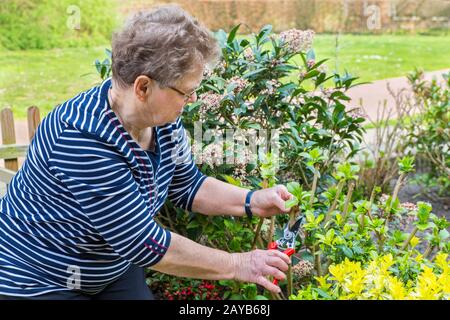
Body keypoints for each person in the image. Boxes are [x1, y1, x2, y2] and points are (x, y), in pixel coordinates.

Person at [0, 5, 293, 300]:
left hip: (110, 265)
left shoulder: (160, 120)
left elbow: (187, 184)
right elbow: (142, 242)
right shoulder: (80, 138)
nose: (192, 100)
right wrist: (238, 264)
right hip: (39, 278)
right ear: (143, 87)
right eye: (186, 91)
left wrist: (251, 200)